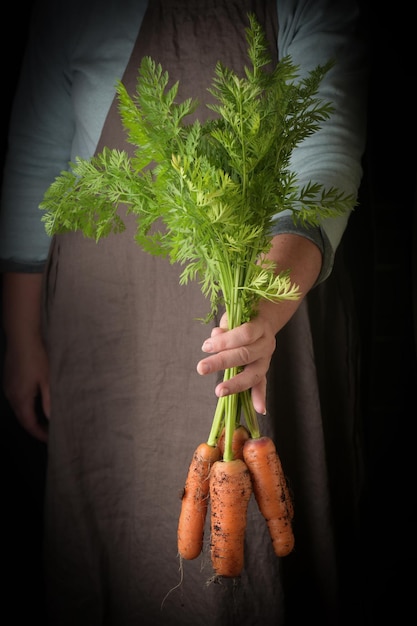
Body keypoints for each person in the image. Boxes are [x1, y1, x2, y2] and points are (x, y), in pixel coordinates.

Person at [0, 0, 368, 624]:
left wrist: (263, 320)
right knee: (109, 524)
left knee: (253, 544)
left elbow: (323, 155)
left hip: (264, 295)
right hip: (107, 309)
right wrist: (20, 332)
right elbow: (38, 154)